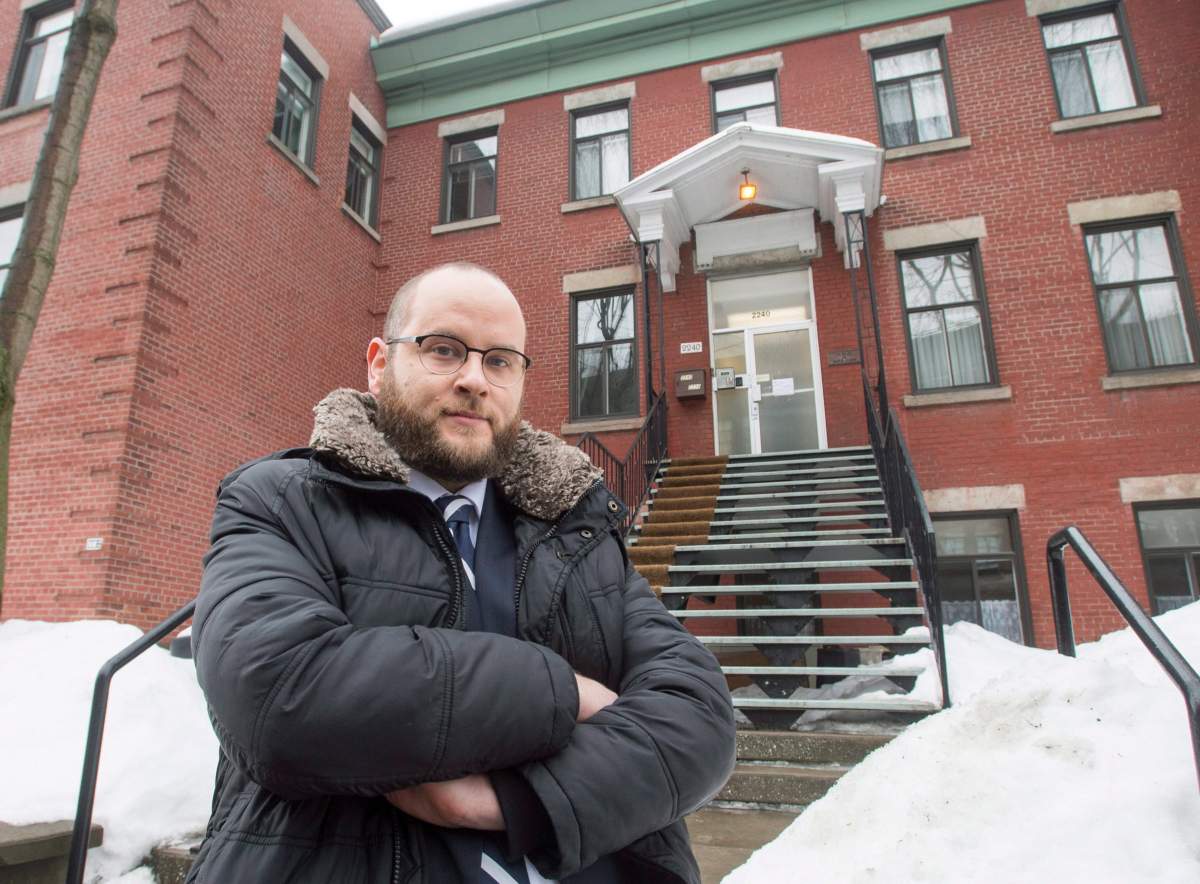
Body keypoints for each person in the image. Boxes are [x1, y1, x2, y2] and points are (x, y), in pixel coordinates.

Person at [186, 262, 736, 884]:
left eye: (501, 361)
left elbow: (700, 720)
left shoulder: (573, 527)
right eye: (444, 350)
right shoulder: (282, 501)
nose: (475, 380)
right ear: (378, 363)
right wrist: (566, 692)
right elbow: (278, 698)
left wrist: (518, 800)